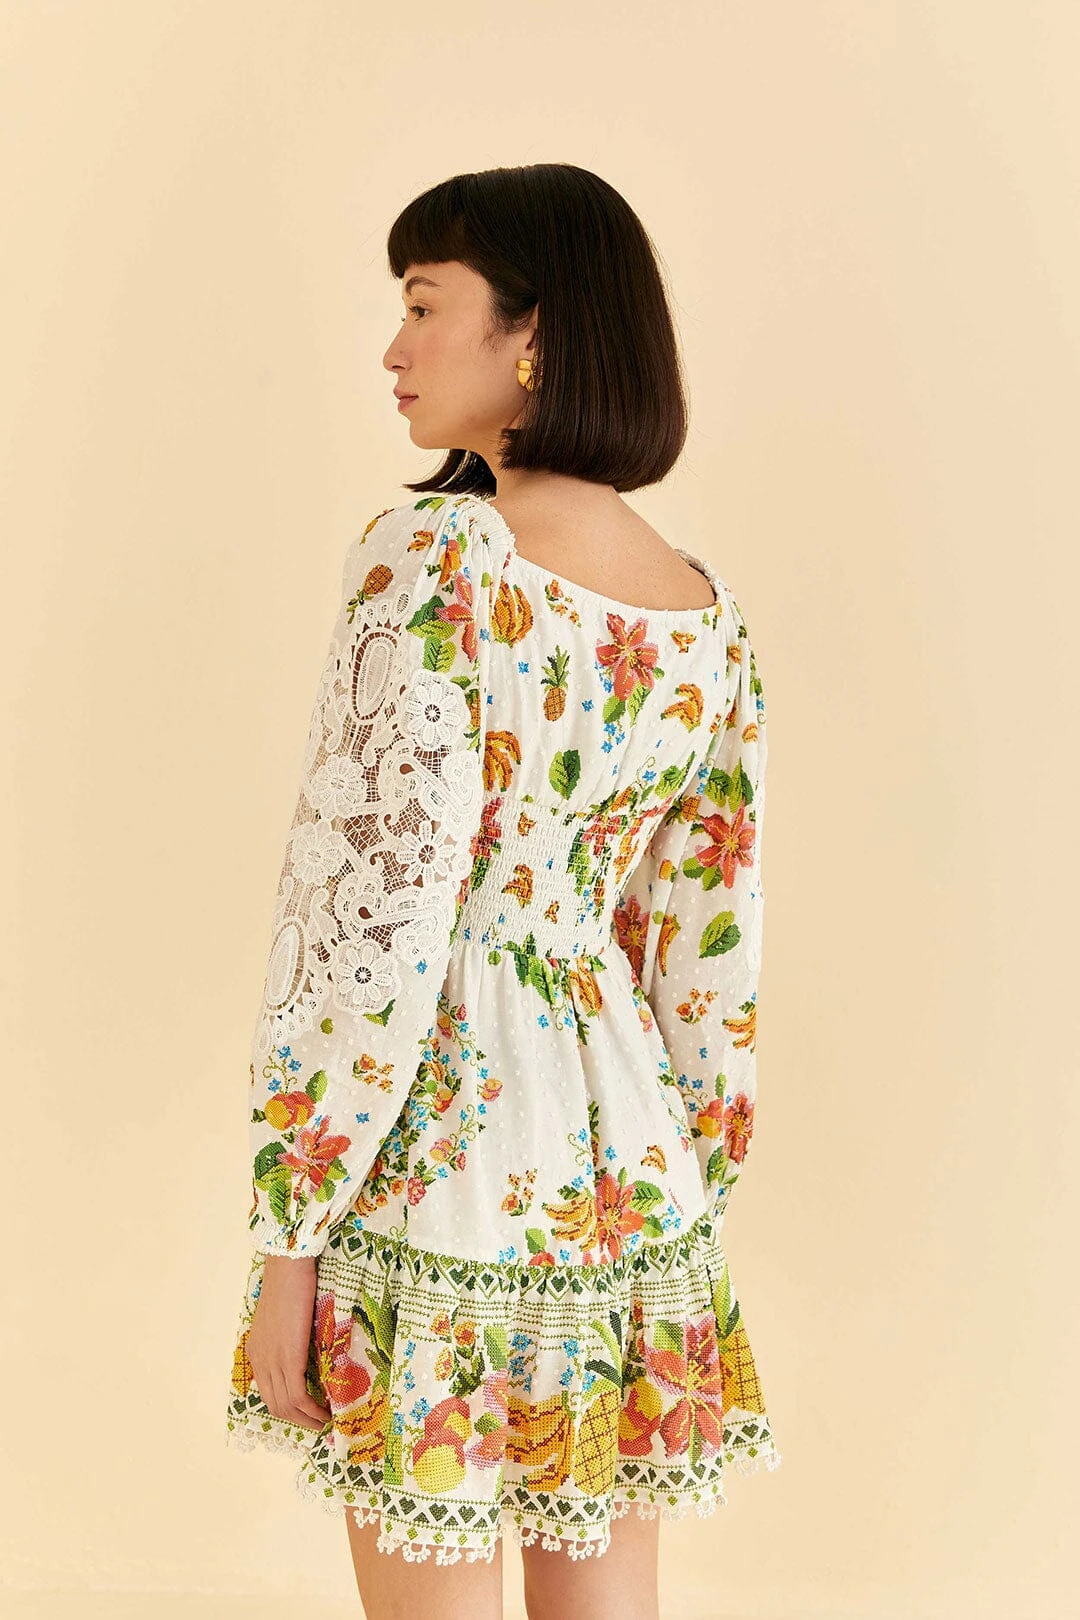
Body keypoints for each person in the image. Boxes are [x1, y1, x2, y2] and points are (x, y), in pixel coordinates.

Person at [225, 162, 780, 1620]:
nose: (394, 349)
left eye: (424, 307)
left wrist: (290, 1229)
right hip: (628, 1169)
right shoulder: (704, 612)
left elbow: (363, 919)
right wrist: (691, 1182)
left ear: (532, 333)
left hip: (443, 1148)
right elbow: (706, 946)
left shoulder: (435, 561)